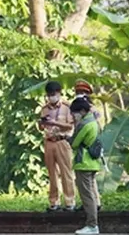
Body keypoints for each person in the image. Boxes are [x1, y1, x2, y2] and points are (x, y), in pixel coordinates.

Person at [38, 81, 76, 211]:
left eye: (53, 94)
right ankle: (54, 202)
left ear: (59, 93)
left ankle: (70, 201)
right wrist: (42, 124)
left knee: (66, 172)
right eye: (48, 95)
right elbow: (41, 127)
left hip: (62, 141)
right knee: (52, 173)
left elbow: (70, 125)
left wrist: (55, 123)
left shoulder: (67, 107)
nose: (50, 97)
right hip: (49, 142)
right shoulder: (44, 109)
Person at [70, 98, 101, 235]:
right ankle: (92, 224)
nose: (74, 116)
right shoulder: (95, 121)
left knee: (87, 196)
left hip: (84, 163)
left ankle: (92, 225)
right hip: (93, 162)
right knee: (91, 195)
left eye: (75, 113)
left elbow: (75, 143)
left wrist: (65, 137)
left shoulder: (84, 124)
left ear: (82, 111)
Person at [74, 80, 102, 212]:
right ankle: (92, 204)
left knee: (89, 181)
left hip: (88, 147)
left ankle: (94, 204)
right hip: (83, 145)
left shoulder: (92, 111)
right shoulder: (76, 108)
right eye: (78, 92)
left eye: (83, 92)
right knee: (88, 182)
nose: (80, 94)